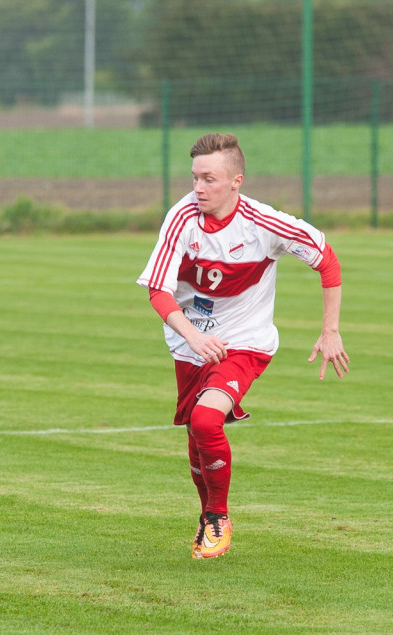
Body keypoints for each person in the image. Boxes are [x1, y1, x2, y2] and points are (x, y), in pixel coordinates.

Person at [136, 132, 349, 560]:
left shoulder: (265, 223)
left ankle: (218, 517)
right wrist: (192, 336)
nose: (198, 188)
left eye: (209, 179)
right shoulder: (180, 217)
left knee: (206, 419)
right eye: (195, 178)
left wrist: (331, 330)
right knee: (197, 435)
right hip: (189, 342)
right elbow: (158, 291)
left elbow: (326, 258)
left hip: (246, 344)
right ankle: (207, 517)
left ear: (236, 181)